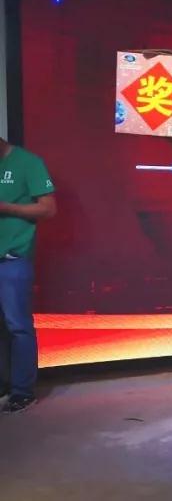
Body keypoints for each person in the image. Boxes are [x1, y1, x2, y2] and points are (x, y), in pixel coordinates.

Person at [0, 134, 56, 414]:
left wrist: (5, 207)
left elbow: (48, 209)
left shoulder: (28, 163)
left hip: (12, 259)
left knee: (18, 326)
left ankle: (22, 392)